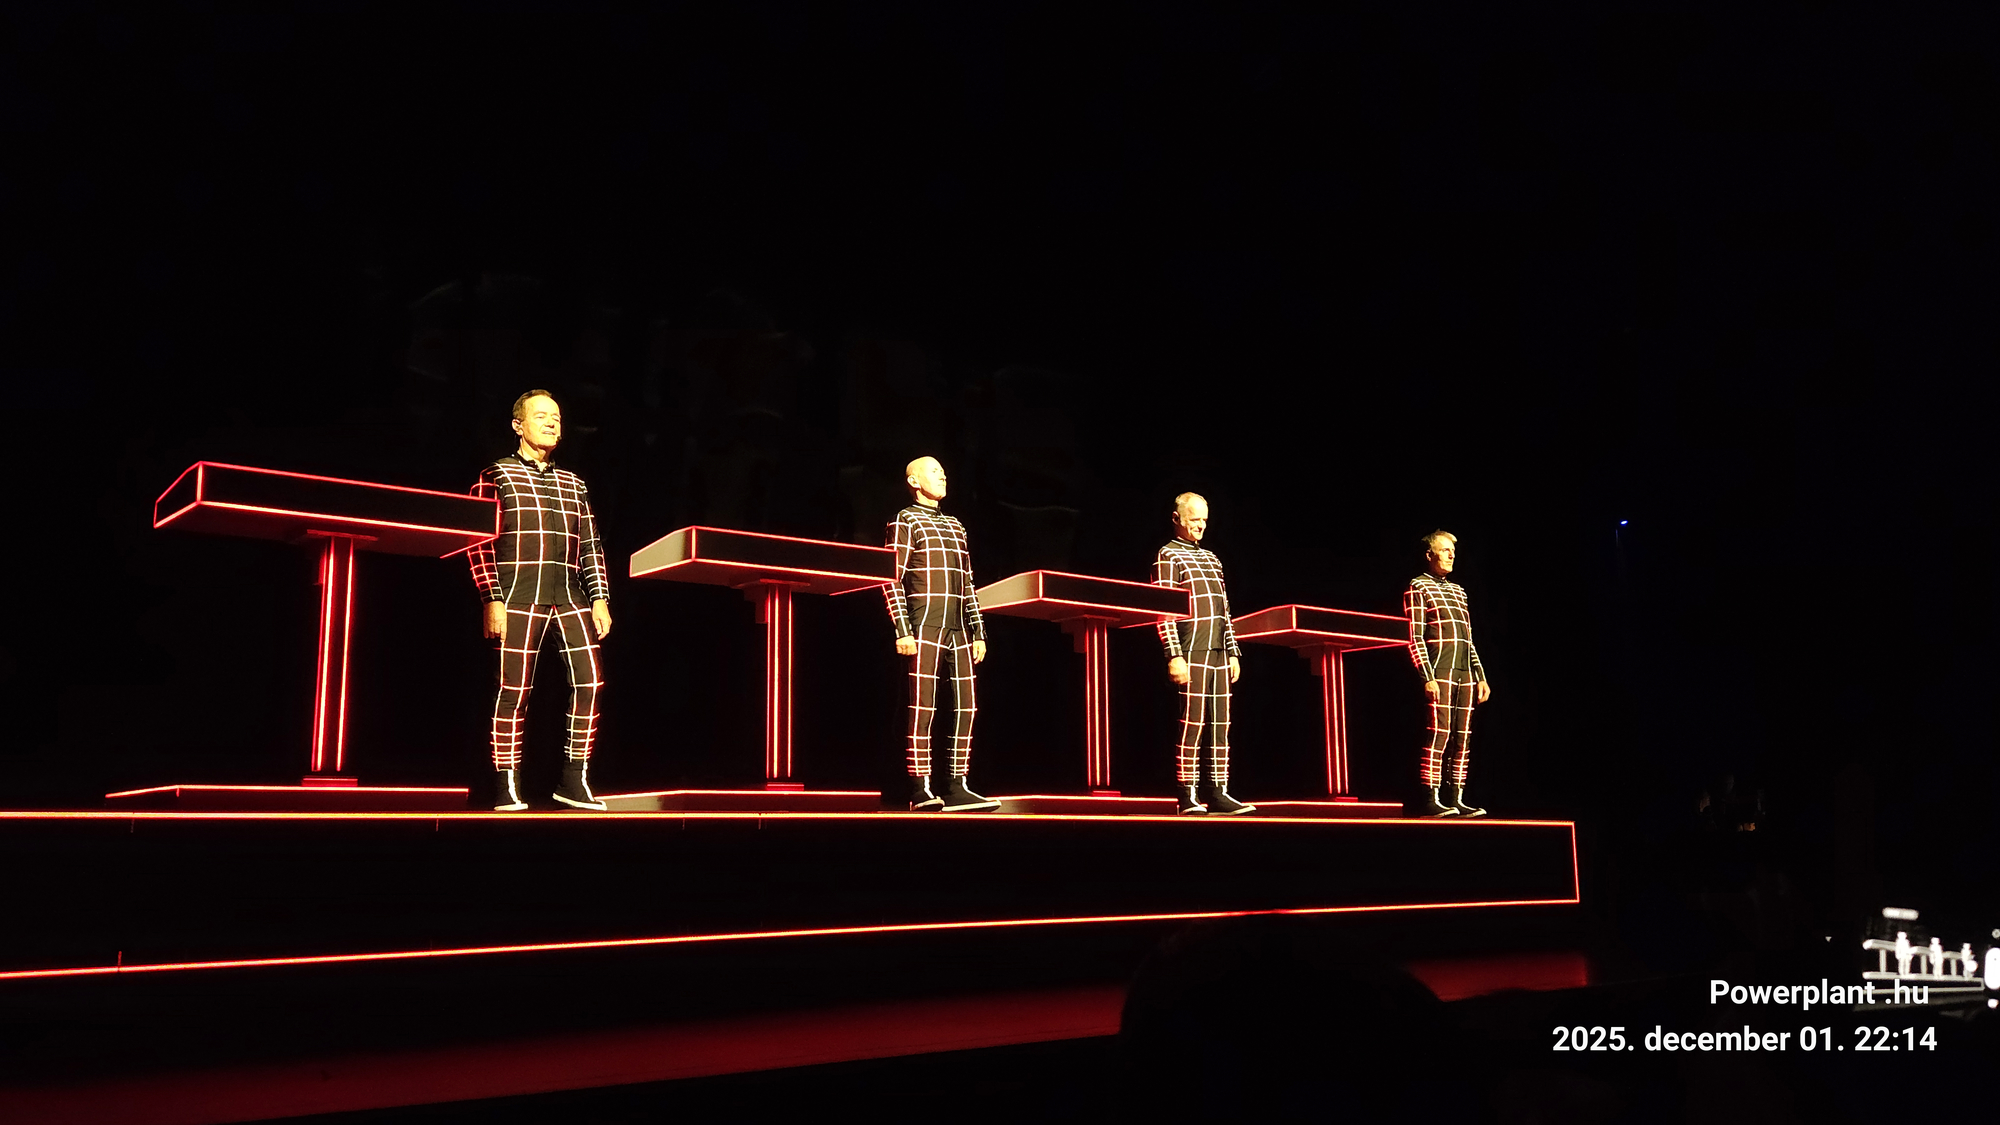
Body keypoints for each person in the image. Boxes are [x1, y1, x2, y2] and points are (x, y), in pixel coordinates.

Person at [469, 389, 613, 812]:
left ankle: (573, 780)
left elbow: (590, 545)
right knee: (513, 689)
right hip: (517, 594)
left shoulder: (575, 484)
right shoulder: (496, 476)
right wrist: (491, 597)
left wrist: (600, 597)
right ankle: (506, 784)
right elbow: (478, 543)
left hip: (569, 596)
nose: (552, 423)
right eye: (541, 416)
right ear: (518, 425)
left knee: (590, 682)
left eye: (557, 418)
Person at [884, 456, 999, 812]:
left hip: (958, 628)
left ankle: (956, 784)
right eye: (934, 471)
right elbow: (890, 577)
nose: (943, 475)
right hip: (924, 625)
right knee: (922, 707)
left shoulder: (956, 525)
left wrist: (978, 630)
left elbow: (967, 582)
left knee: (967, 706)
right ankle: (919, 786)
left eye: (943, 471)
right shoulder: (905, 520)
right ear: (914, 481)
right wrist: (903, 629)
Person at [1153, 493, 1253, 815]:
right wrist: (1173, 654)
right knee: (1192, 724)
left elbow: (1225, 610)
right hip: (1191, 649)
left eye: (1204, 520)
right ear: (1177, 518)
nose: (1200, 526)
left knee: (1221, 724)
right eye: (1194, 519)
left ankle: (1219, 791)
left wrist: (1233, 651)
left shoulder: (1212, 558)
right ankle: (1188, 794)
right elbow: (1163, 609)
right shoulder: (1168, 555)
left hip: (1218, 651)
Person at [1404, 530, 1490, 817]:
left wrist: (1480, 675)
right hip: (1440, 668)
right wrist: (1426, 676)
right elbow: (1415, 637)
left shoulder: (1459, 591)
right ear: (1429, 555)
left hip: (1464, 671)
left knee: (1462, 735)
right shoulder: (1418, 586)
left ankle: (1456, 797)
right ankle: (1430, 797)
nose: (1452, 555)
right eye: (1445, 550)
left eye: (1453, 550)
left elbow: (1468, 638)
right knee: (1439, 733)